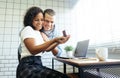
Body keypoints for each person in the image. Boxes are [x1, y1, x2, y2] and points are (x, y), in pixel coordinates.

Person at [16, 6, 70, 78]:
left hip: (38, 62)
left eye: (41, 20)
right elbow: (33, 50)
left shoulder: (42, 32)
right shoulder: (28, 29)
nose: (48, 24)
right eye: (46, 21)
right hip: (27, 61)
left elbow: (48, 49)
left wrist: (58, 42)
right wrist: (54, 40)